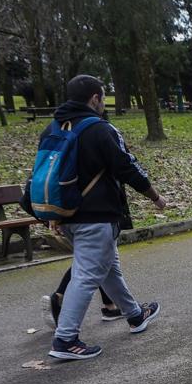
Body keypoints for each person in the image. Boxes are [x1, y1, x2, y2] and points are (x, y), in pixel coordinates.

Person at [35, 75, 165, 360]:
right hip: (96, 215)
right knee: (87, 275)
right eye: (103, 96)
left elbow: (46, 174)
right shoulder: (99, 129)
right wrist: (154, 196)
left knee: (108, 268)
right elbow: (126, 167)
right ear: (94, 98)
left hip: (66, 214)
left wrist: (51, 215)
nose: (103, 102)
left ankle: (134, 315)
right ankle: (65, 339)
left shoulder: (53, 129)